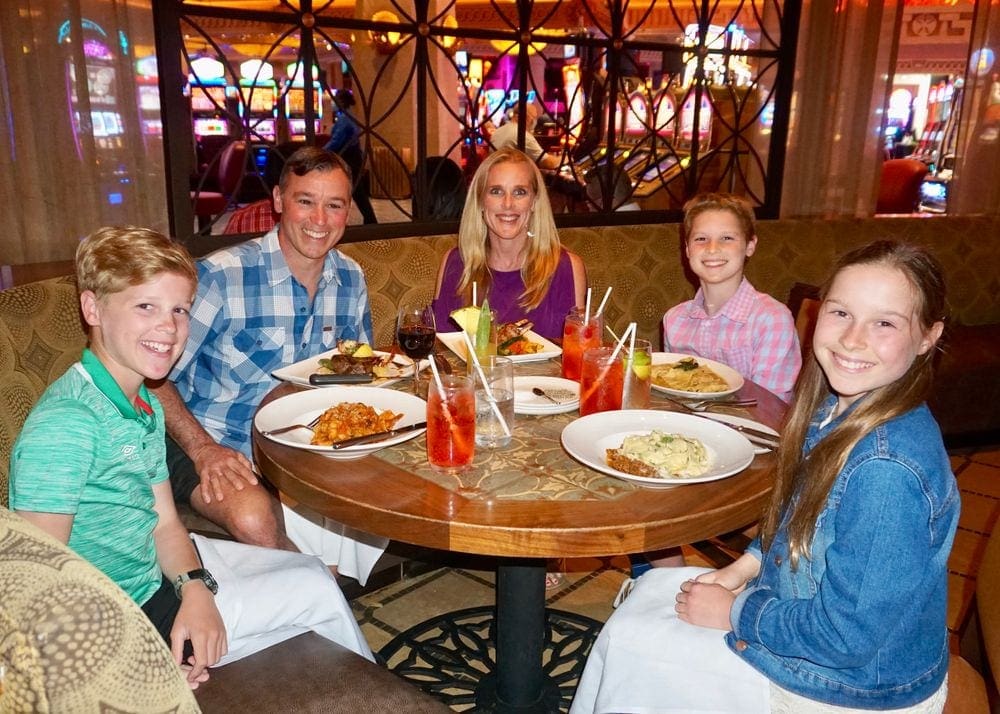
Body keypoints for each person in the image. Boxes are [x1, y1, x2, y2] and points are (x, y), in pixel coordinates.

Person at [571, 240, 956, 713]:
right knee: (652, 592)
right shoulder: (833, 407)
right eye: (840, 313)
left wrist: (735, 611)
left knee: (630, 641)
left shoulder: (885, 471)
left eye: (884, 323)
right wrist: (745, 567)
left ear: (927, 336)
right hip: (818, 625)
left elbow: (845, 637)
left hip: (852, 689)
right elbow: (800, 520)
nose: (853, 339)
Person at [9, 226, 372, 690]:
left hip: (162, 577)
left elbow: (163, 523)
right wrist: (139, 660)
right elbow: (37, 590)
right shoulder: (68, 425)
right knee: (317, 591)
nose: (169, 328)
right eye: (146, 307)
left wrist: (193, 588)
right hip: (126, 617)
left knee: (307, 570)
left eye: (179, 310)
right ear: (92, 308)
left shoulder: (140, 403)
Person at [153, 146, 388, 584]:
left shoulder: (351, 278)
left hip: (307, 445)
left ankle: (321, 596)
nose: (319, 219)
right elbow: (152, 380)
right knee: (253, 516)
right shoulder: (221, 277)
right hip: (216, 438)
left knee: (388, 482)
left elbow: (359, 371)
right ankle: (321, 598)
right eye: (305, 201)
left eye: (334, 204)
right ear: (279, 201)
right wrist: (203, 449)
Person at [432, 146, 587, 341]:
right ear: (480, 201)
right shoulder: (455, 264)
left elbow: (579, 354)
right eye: (496, 191)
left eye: (520, 192)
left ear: (534, 202)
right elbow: (439, 352)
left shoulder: (566, 268)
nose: (507, 204)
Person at [664, 193, 801, 402]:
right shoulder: (674, 320)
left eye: (726, 238)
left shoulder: (771, 320)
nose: (712, 248)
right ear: (687, 249)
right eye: (701, 239)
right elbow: (669, 393)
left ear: (750, 246)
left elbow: (771, 408)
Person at [324, 89, 377, 225]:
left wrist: (321, 152)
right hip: (354, 158)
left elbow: (336, 141)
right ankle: (369, 219)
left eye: (335, 100)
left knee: (353, 191)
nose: (333, 103)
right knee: (355, 192)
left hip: (348, 159)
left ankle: (369, 220)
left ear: (341, 101)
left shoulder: (344, 120)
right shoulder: (350, 116)